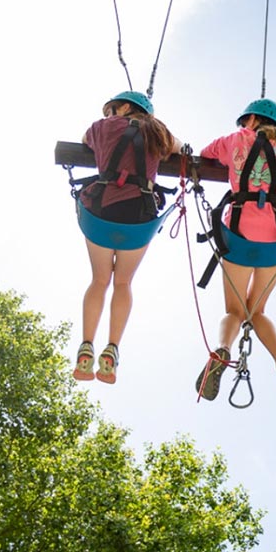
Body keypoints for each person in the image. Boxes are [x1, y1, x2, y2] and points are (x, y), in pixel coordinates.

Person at [195, 98, 276, 409]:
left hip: (239, 234)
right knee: (257, 312)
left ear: (249, 120)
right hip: (275, 238)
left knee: (235, 311)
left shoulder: (232, 140)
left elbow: (206, 154)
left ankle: (222, 349)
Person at [72, 90, 181, 384]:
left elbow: (85, 140)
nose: (109, 114)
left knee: (99, 280)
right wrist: (153, 127)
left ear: (123, 108)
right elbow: (180, 148)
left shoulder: (100, 127)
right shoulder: (158, 131)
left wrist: (110, 127)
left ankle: (86, 346)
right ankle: (113, 348)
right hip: (139, 215)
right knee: (123, 282)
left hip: (101, 212)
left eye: (112, 109)